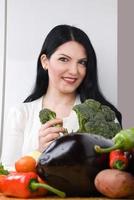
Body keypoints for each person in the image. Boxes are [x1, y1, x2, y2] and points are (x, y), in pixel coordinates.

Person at [1, 24, 122, 168]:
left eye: (82, 62)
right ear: (45, 62)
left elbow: (117, 172)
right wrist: (39, 152)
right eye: (64, 59)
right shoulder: (20, 114)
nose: (74, 71)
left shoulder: (105, 117)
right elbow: (5, 174)